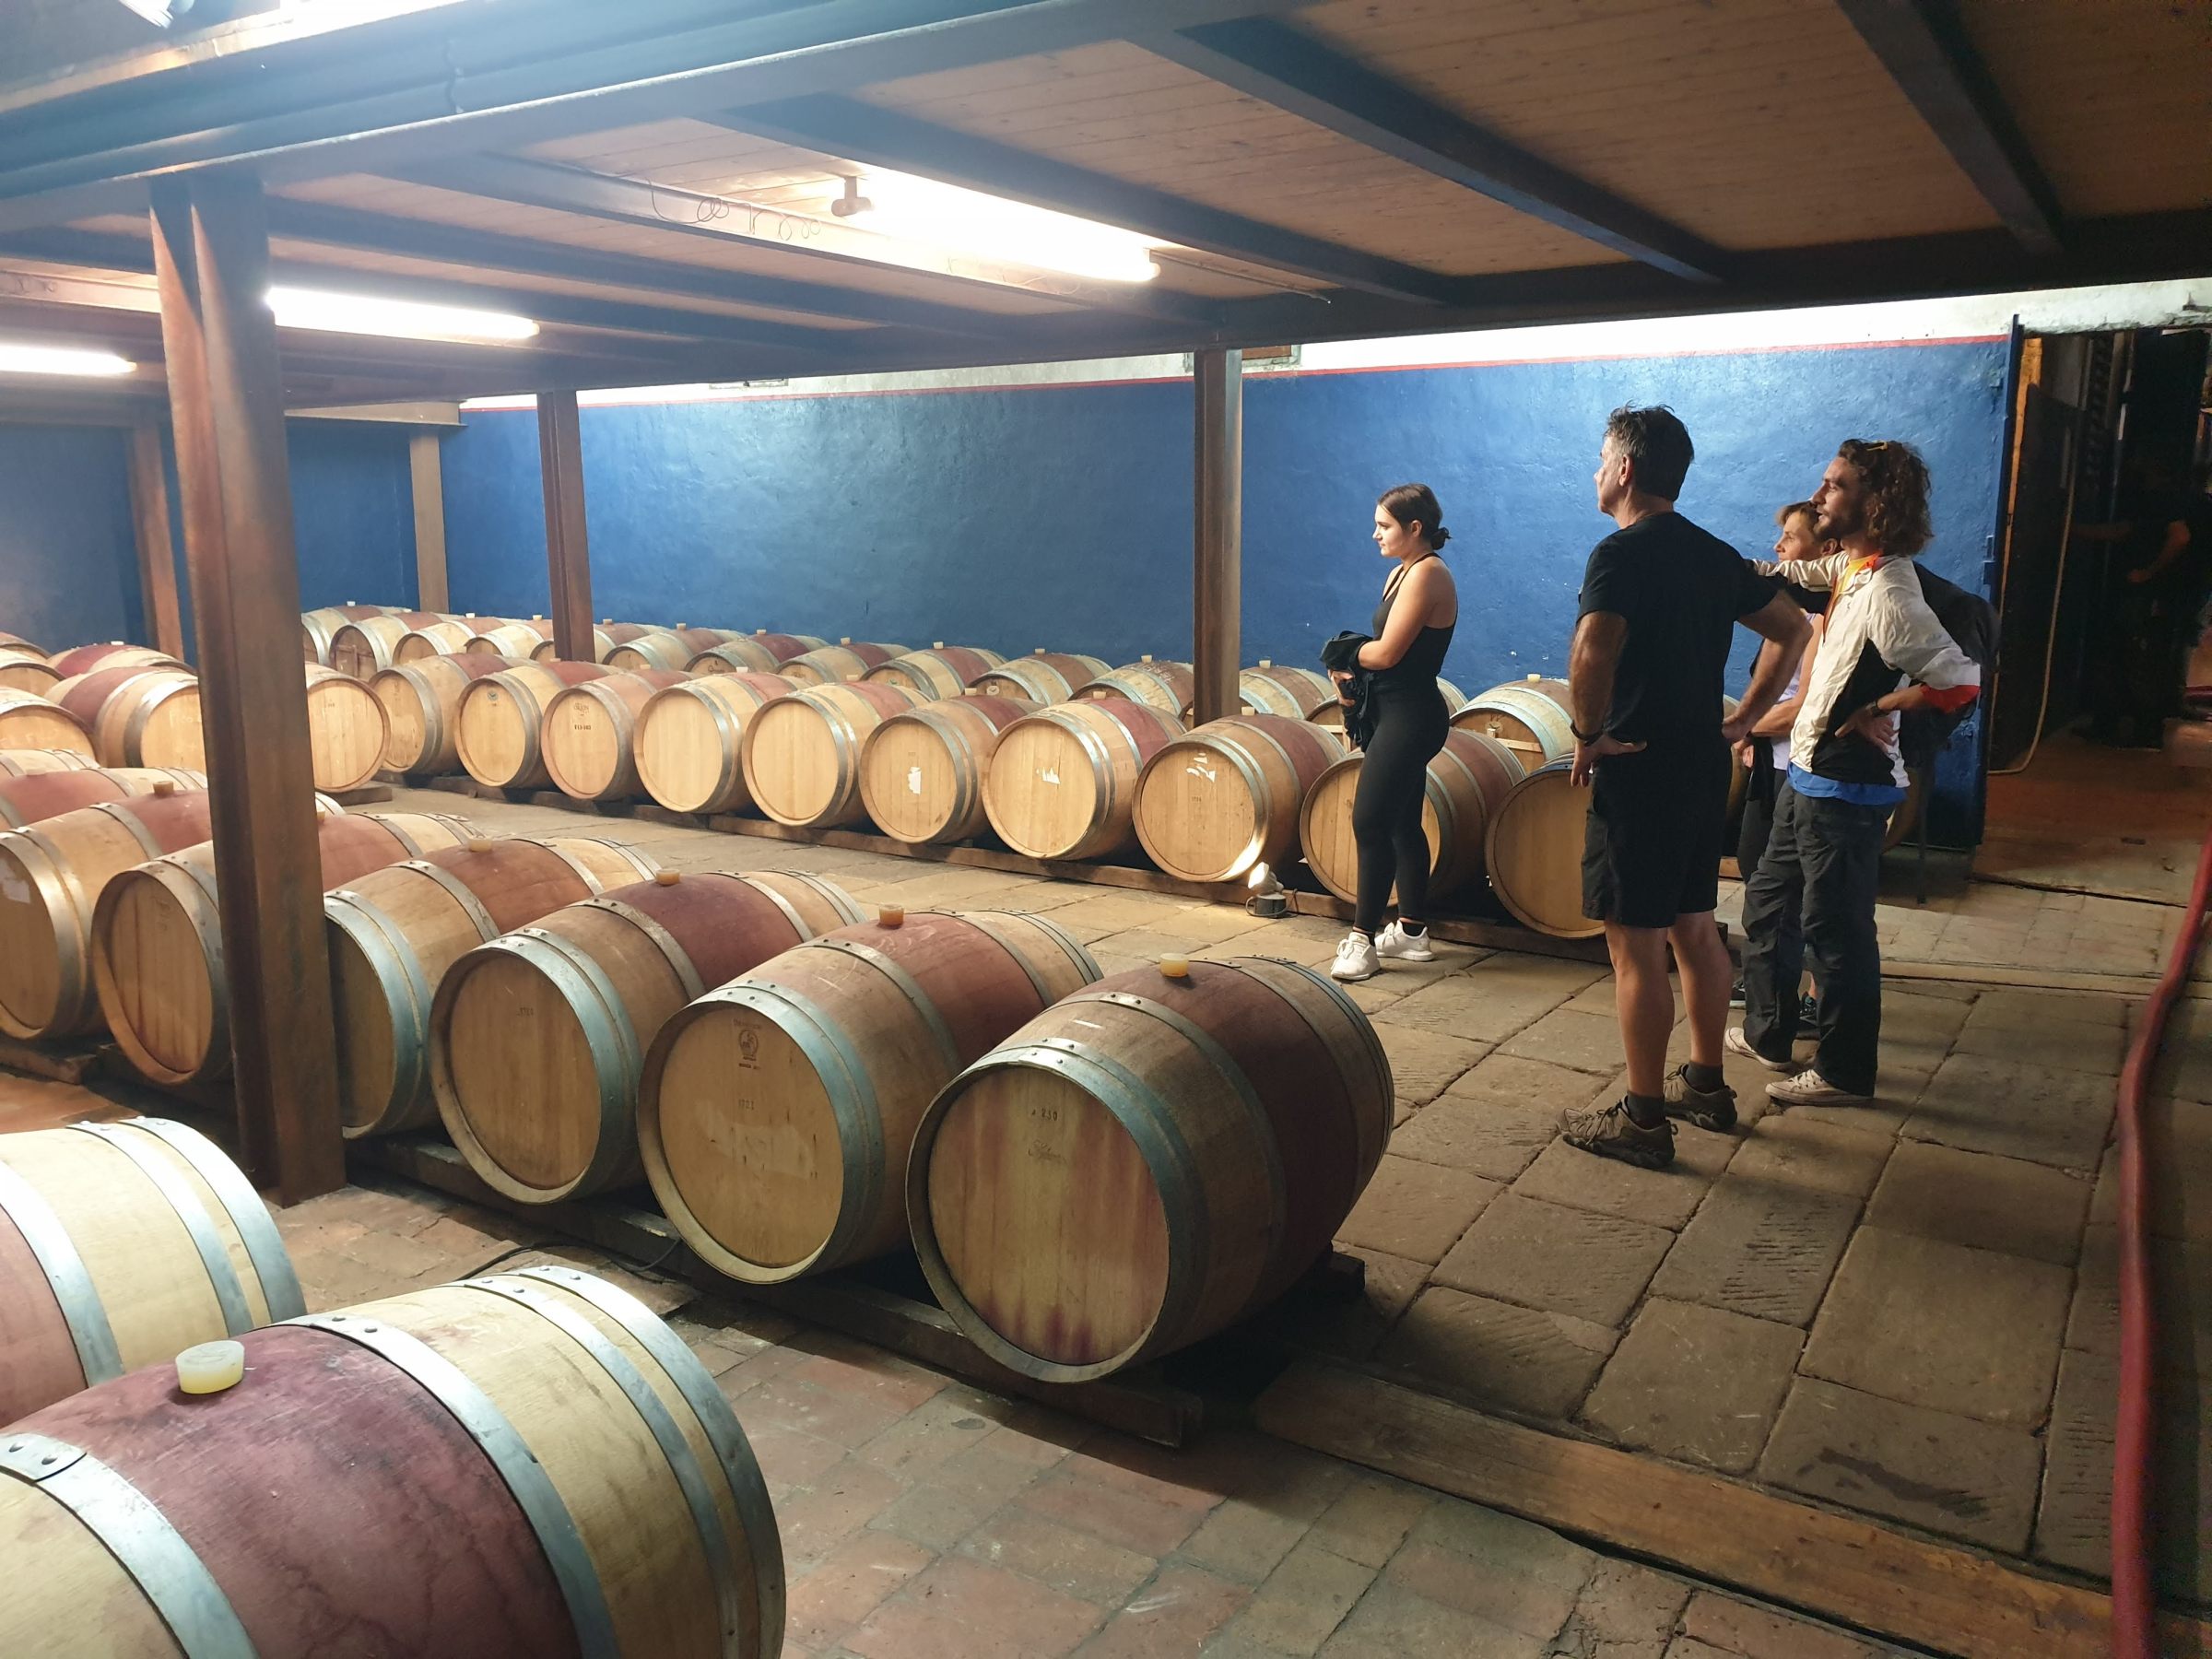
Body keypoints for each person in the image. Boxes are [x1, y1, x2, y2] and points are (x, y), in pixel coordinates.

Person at [1558, 407, 1811, 1169]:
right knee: (1695, 928)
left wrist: (1586, 733)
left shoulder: (1619, 553)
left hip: (1639, 764)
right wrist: (1742, 721)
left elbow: (1592, 649)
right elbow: (1793, 631)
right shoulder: (1714, 553)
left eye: (1602, 458)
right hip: (1702, 761)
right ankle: (1705, 1083)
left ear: (1627, 469)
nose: (1597, 470)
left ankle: (1642, 1120)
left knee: (1635, 947)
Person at [1731, 440, 1982, 1106]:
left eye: (1834, 486)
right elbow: (1788, 577)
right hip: (1808, 777)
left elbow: (1958, 683)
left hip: (1846, 790)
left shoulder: (1891, 592)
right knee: (1769, 900)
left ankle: (1844, 1072)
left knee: (1836, 933)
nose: (1820, 497)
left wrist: (1884, 703)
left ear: (1875, 502)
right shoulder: (1851, 567)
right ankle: (1770, 1032)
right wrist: (1711, 564)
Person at [1328, 484, 1459, 982]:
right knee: (1404, 821)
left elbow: (1385, 654)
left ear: (1415, 529)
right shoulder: (1400, 572)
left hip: (1412, 715)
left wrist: (1343, 652)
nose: (1376, 534)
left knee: (1369, 820)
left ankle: (1362, 942)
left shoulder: (1428, 575)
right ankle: (1411, 932)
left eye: (1384, 525)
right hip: (1390, 710)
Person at [1731, 500, 1831, 1024]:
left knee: (1795, 890)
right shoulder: (1792, 616)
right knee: (1760, 872)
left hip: (1797, 766)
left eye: (1790, 539)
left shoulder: (1820, 621)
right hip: (1772, 762)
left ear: (1822, 552)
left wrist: (1739, 728)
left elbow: (1801, 707)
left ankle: (1803, 998)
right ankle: (1772, 986)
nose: (1778, 548)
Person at [2077, 456, 2212, 746]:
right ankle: (2126, 725)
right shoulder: (2171, 502)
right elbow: (2125, 530)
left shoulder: (2162, 501)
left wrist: (2148, 573)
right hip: (2155, 591)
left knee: (2137, 658)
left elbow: (2179, 537)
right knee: (2131, 655)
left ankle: (2141, 729)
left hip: (2147, 591)